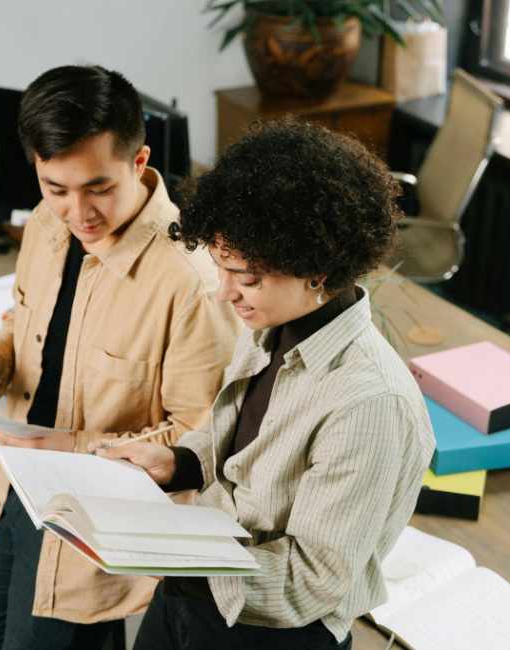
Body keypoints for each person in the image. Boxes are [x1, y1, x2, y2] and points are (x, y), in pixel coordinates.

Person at [89, 118, 436, 650]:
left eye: (246, 276)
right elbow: (247, 439)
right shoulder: (271, 324)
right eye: (220, 267)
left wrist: (176, 562)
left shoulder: (369, 403)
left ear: (317, 268)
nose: (225, 292)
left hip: (270, 630)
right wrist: (181, 462)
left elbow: (313, 581)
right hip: (198, 585)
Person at [0, 64, 242, 649]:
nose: (78, 213)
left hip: (95, 516)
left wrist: (76, 446)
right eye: (56, 189)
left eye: (98, 187)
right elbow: (29, 328)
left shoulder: (188, 279)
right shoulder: (44, 230)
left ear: (138, 160)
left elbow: (201, 437)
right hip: (17, 486)